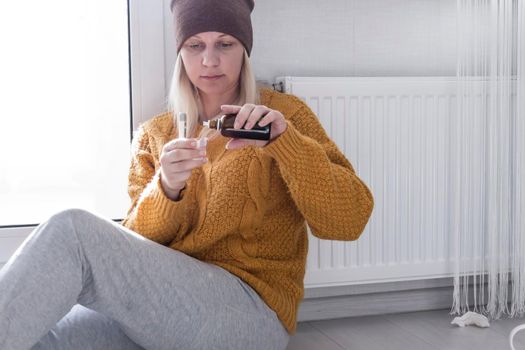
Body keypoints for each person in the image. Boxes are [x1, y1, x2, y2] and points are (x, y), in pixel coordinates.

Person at [0, 0, 374, 349]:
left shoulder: (283, 116)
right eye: (195, 45)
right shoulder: (154, 134)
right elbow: (131, 251)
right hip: (167, 307)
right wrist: (167, 188)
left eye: (225, 44)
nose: (210, 60)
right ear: (181, 52)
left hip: (251, 311)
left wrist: (285, 143)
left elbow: (349, 221)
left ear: (244, 49)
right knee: (42, 334)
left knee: (72, 230)